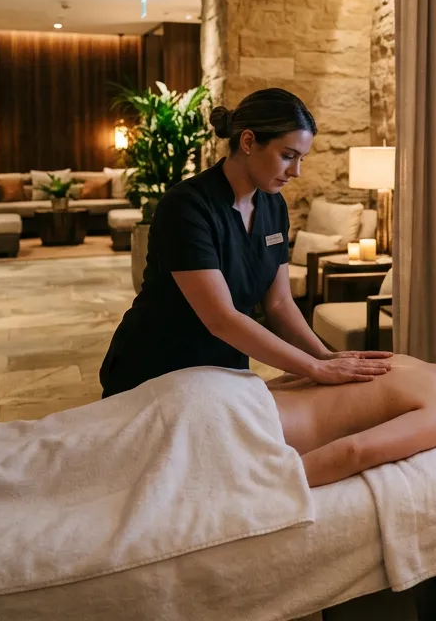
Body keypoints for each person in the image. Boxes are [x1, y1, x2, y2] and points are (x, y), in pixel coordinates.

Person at [99, 88, 392, 398]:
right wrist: (313, 368)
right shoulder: (186, 206)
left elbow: (278, 304)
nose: (296, 172)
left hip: (225, 370)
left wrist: (324, 356)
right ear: (249, 142)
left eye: (301, 159)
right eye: (288, 156)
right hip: (157, 371)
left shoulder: (273, 205)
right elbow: (221, 318)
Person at [270, 333, 436, 487]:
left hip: (249, 395)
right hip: (263, 429)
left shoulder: (402, 359)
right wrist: (274, 486)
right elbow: (356, 451)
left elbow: (296, 380)